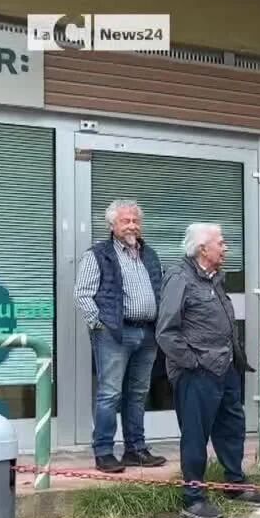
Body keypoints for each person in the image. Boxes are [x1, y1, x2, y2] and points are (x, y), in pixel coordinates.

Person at [156, 223, 260, 518]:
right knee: (195, 436)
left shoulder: (214, 279)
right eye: (221, 243)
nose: (226, 247)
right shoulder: (179, 277)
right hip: (197, 372)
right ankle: (193, 497)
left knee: (231, 427)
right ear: (202, 248)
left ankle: (234, 483)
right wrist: (193, 363)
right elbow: (166, 332)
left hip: (225, 368)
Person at [73, 199, 166, 474]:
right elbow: (82, 293)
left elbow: (159, 289)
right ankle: (103, 452)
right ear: (112, 225)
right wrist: (98, 325)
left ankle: (135, 450)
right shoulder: (98, 255)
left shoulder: (150, 255)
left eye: (136, 220)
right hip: (115, 332)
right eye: (126, 221)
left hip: (147, 332)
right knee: (109, 394)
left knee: (137, 394)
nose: (132, 225)